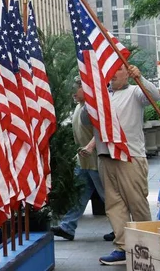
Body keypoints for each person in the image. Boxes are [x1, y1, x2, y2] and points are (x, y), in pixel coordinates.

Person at [83, 64, 160, 266]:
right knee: (114, 205)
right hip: (106, 156)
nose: (113, 74)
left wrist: (140, 78)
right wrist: (90, 100)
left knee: (137, 203)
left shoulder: (135, 92)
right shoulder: (102, 96)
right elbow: (85, 119)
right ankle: (123, 248)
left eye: (118, 69)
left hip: (129, 156)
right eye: (111, 70)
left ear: (127, 72)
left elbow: (154, 96)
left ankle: (147, 247)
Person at [50, 77, 114, 242]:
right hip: (83, 160)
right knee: (79, 195)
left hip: (95, 161)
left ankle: (119, 228)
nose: (73, 93)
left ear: (85, 89)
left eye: (75, 89)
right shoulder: (79, 107)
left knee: (108, 197)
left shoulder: (92, 108)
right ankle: (67, 227)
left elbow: (101, 131)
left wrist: (90, 147)